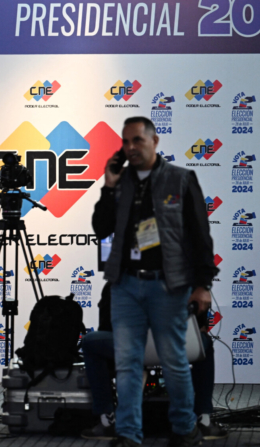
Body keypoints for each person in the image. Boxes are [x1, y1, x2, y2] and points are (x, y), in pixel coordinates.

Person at [91, 117, 219, 447]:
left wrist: (203, 284)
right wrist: (107, 187)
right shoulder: (120, 182)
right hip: (125, 286)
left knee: (175, 362)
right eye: (125, 142)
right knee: (128, 365)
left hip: (168, 286)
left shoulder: (181, 179)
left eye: (137, 141)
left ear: (154, 141)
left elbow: (200, 235)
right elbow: (101, 228)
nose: (130, 148)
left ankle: (183, 428)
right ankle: (129, 434)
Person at [80, 284, 227, 441]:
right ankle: (203, 420)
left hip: (133, 349)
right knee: (205, 344)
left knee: (91, 343)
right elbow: (200, 328)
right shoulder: (187, 283)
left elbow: (107, 328)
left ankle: (107, 421)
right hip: (178, 348)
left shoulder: (116, 284)